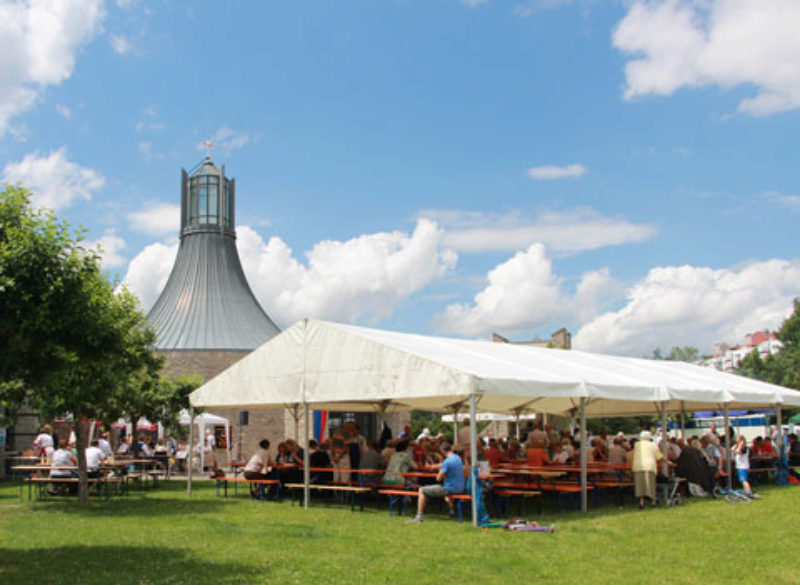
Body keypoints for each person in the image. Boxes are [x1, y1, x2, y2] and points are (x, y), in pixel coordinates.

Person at [409, 443, 463, 522]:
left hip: (449, 488)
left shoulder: (447, 462)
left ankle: (419, 516)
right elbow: (444, 465)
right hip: (459, 488)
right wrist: (434, 466)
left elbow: (438, 478)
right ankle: (452, 512)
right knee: (447, 494)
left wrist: (438, 470)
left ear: (442, 451)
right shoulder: (457, 458)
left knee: (422, 490)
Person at [632, 431, 664, 509]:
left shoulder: (637, 445)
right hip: (649, 466)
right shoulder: (652, 445)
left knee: (640, 486)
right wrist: (668, 461)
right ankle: (653, 502)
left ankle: (641, 503)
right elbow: (659, 456)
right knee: (650, 485)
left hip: (638, 466)